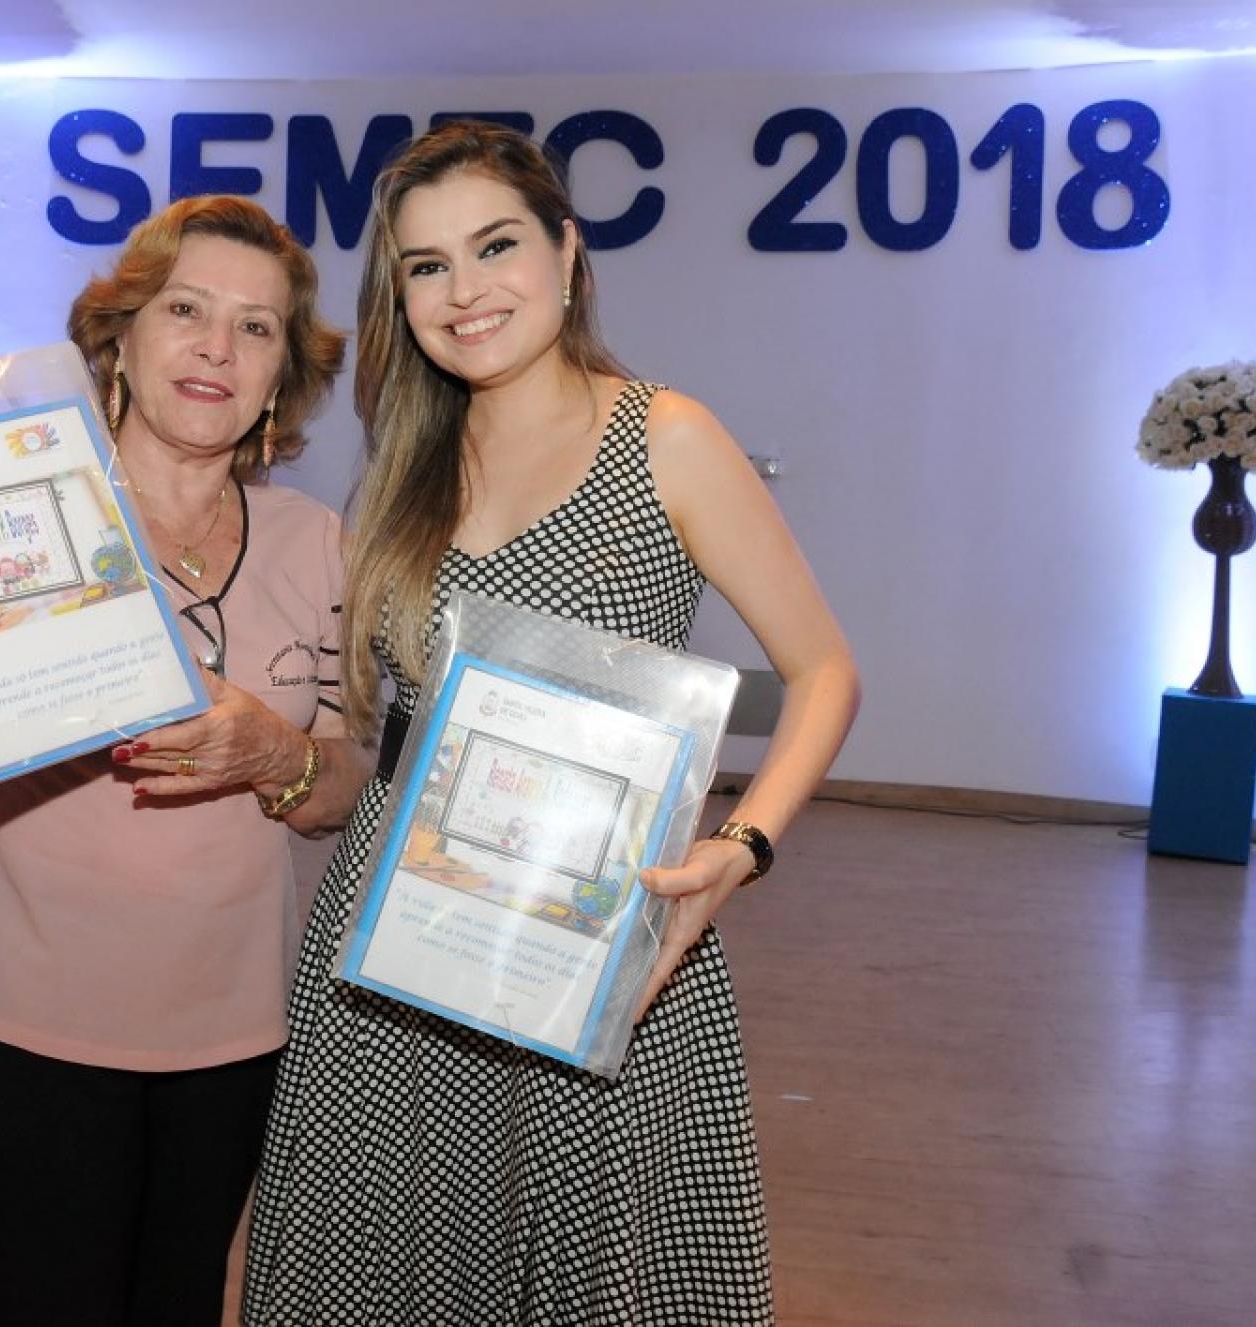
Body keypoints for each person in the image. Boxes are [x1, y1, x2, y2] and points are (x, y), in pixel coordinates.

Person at [242, 122, 862, 1324]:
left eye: (496, 246)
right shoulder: (406, 462)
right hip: (401, 926)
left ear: (567, 252)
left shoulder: (666, 437)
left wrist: (742, 847)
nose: (464, 291)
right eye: (427, 266)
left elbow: (825, 668)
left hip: (594, 923)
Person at [0, 196, 368, 1327]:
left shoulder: (317, 543)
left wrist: (274, 752)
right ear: (118, 337)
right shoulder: (8, 515)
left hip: (231, 1030)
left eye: (257, 328)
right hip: (21, 1020)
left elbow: (341, 785)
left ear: (283, 377)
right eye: (186, 310)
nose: (217, 348)